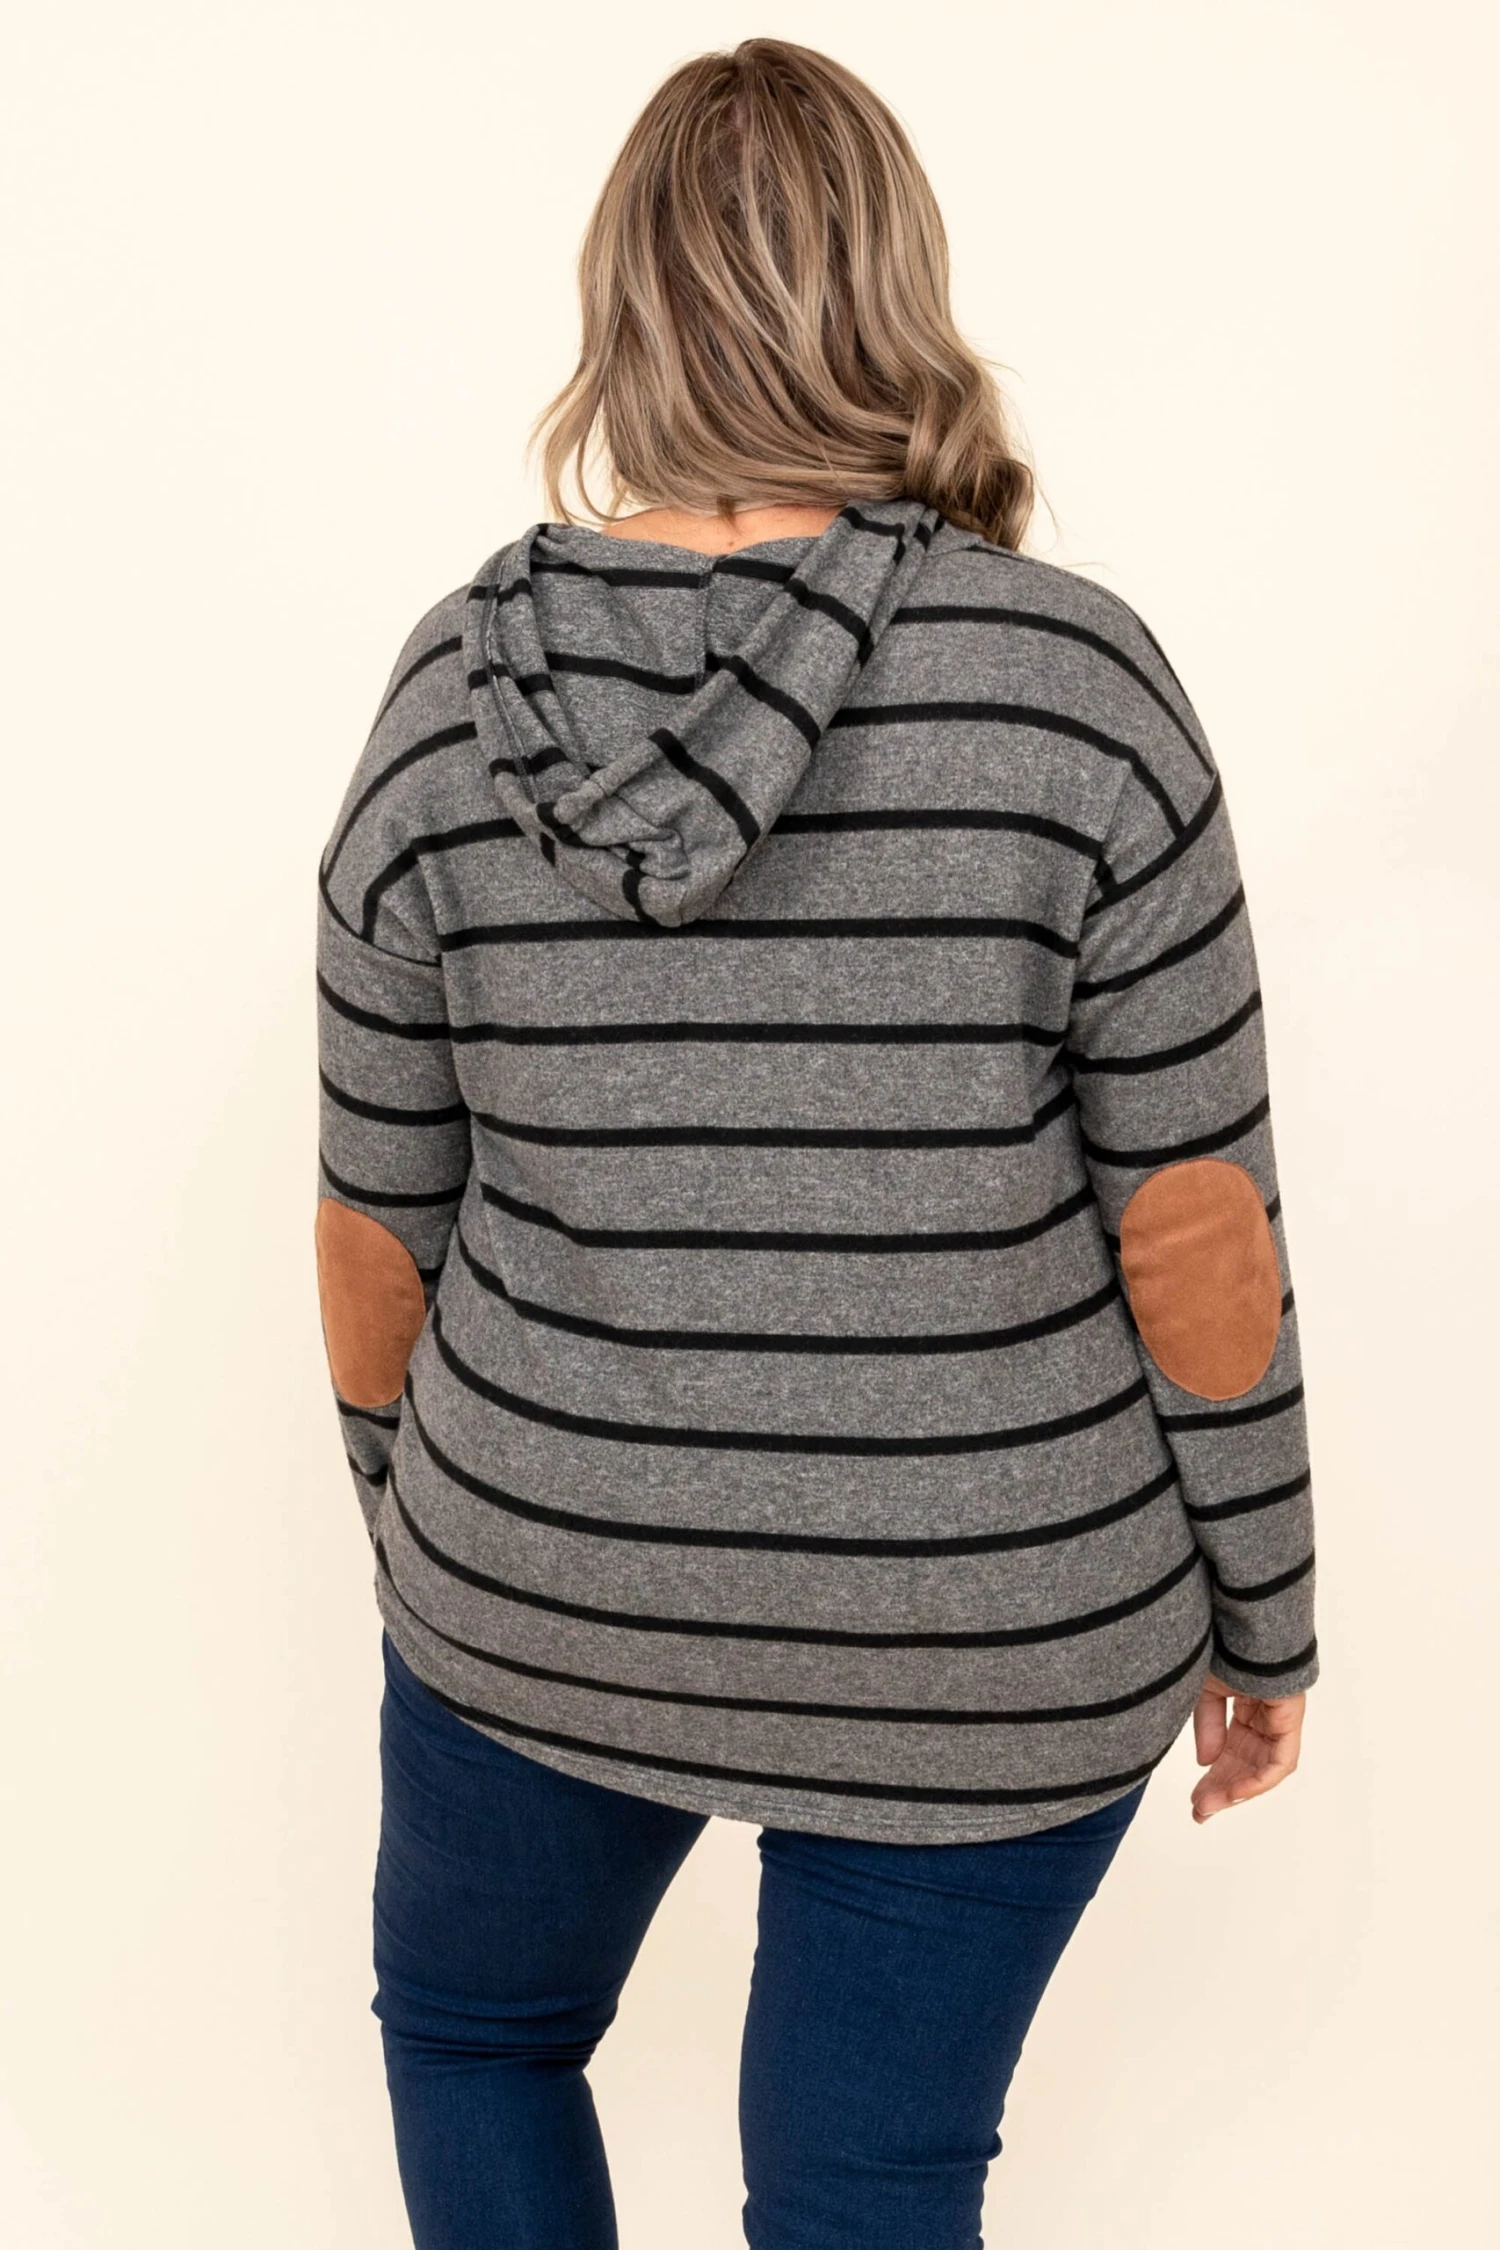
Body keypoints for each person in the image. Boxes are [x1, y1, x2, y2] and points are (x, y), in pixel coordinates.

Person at [313, 36, 1317, 2250]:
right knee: (866, 2184)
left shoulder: (449, 693)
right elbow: (1195, 1232)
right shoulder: (1072, 687)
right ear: (893, 290)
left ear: (625, 305)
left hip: (543, 1578)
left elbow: (378, 1228)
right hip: (992, 1626)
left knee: (478, 2036)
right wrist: (1266, 1610)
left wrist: (453, 1542)